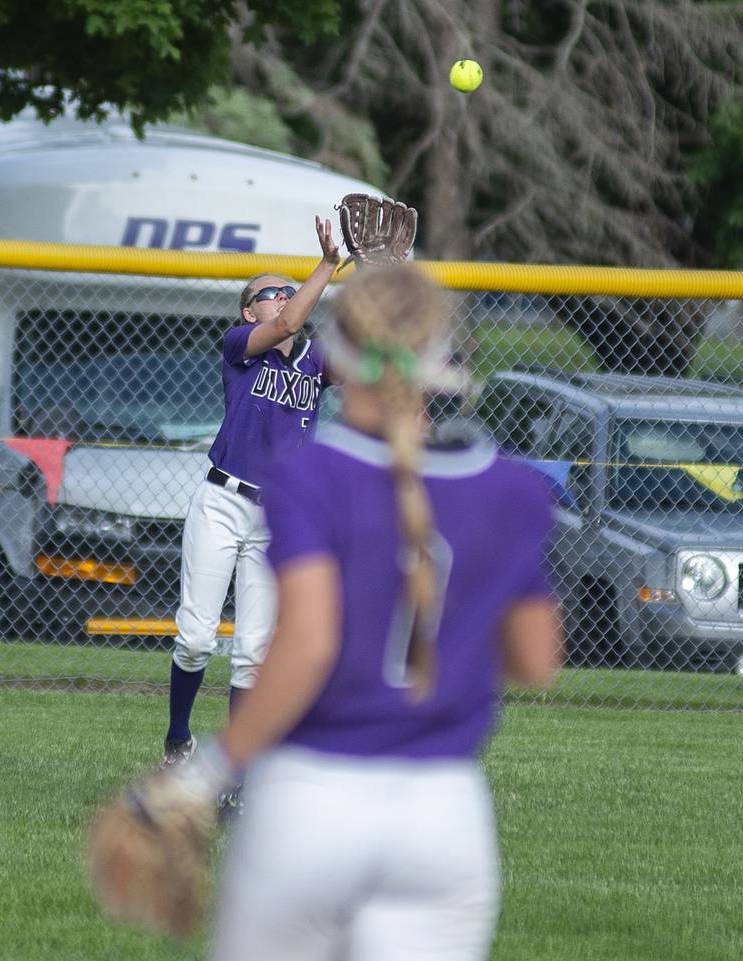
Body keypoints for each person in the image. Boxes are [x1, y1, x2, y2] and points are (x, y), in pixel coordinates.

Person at [173, 264, 563, 961]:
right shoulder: (511, 488)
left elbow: (312, 643)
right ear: (440, 361)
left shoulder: (310, 474)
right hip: (445, 811)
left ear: (340, 358)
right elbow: (537, 663)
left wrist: (207, 776)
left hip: (314, 796)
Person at [161, 217, 342, 766]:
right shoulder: (240, 345)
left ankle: (233, 770)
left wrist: (379, 275)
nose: (287, 298)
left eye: (292, 290)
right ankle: (178, 740)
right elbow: (290, 320)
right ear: (249, 311)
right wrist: (329, 266)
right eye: (273, 293)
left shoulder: (316, 361)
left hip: (278, 517)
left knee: (253, 653)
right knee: (195, 638)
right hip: (223, 502)